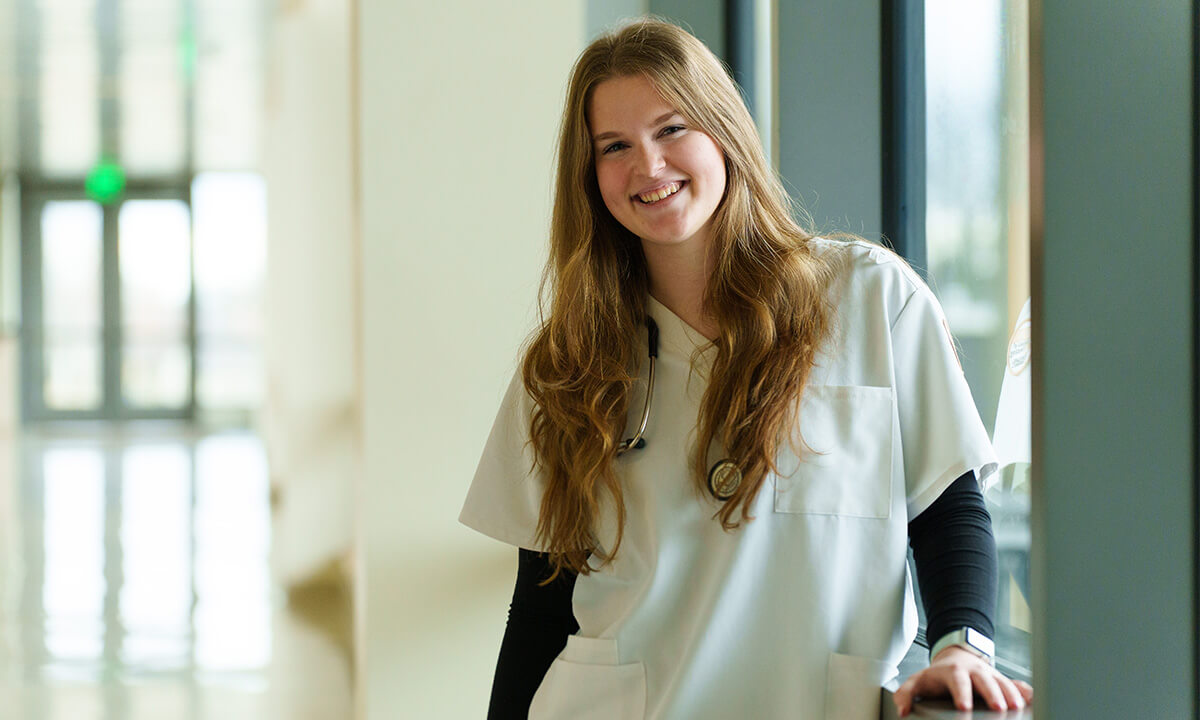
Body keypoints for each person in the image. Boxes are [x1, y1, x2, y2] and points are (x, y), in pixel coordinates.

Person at [460, 18, 1034, 720]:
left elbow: (947, 509)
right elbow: (543, 601)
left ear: (723, 131)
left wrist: (963, 645)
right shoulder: (568, 362)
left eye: (672, 129)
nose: (648, 166)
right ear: (590, 176)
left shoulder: (870, 299)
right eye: (614, 147)